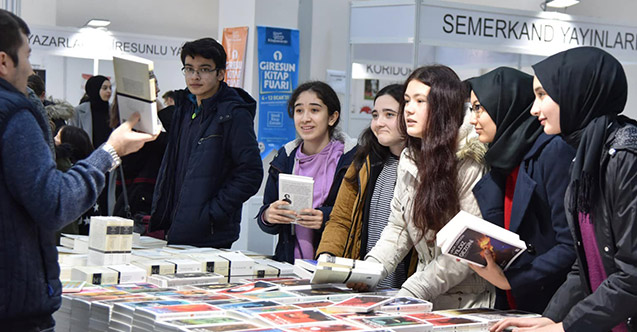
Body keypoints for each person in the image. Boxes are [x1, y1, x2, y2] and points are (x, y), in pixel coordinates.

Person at [0, 9, 156, 330]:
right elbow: (55, 203)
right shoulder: (15, 116)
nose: (30, 68)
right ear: (4, 61)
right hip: (14, 305)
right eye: (27, 57)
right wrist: (110, 152)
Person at [491, 47, 637, 332]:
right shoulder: (585, 154)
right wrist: (550, 317)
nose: (534, 109)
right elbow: (585, 266)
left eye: (542, 94)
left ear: (576, 91)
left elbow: (632, 273)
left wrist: (565, 326)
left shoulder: (626, 157)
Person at [351, 65, 494, 309]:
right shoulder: (410, 156)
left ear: (444, 106)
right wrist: (370, 269)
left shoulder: (470, 161)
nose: (409, 109)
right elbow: (398, 227)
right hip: (424, 295)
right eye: (407, 100)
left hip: (467, 300)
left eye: (420, 101)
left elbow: (468, 246)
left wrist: (414, 288)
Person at [465, 67, 576, 314]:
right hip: (516, 301)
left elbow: (570, 244)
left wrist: (512, 280)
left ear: (503, 104)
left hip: (552, 304)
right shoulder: (503, 158)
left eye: (479, 108)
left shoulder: (552, 151)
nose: (473, 119)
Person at [149, 37, 263, 248]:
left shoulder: (233, 114)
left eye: (204, 69)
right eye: (189, 69)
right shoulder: (185, 108)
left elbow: (251, 173)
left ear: (220, 73)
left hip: (210, 235)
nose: (195, 76)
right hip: (175, 228)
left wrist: (211, 214)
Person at [315, 84, 413, 289]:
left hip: (406, 287)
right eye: (375, 115)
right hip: (364, 281)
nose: (378, 123)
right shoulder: (364, 162)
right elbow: (341, 218)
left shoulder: (421, 167)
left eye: (389, 115)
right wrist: (327, 257)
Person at [257, 81, 357, 263]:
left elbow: (360, 216)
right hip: (289, 263)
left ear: (332, 117)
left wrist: (325, 218)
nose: (305, 118)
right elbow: (266, 213)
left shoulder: (350, 159)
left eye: (315, 110)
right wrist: (268, 216)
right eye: (299, 110)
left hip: (334, 263)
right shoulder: (285, 157)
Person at [70, 74, 114, 216]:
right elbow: (73, 140)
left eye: (110, 88)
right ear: (94, 89)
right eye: (104, 88)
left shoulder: (114, 112)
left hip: (110, 167)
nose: (109, 91)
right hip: (88, 163)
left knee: (107, 204)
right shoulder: (79, 111)